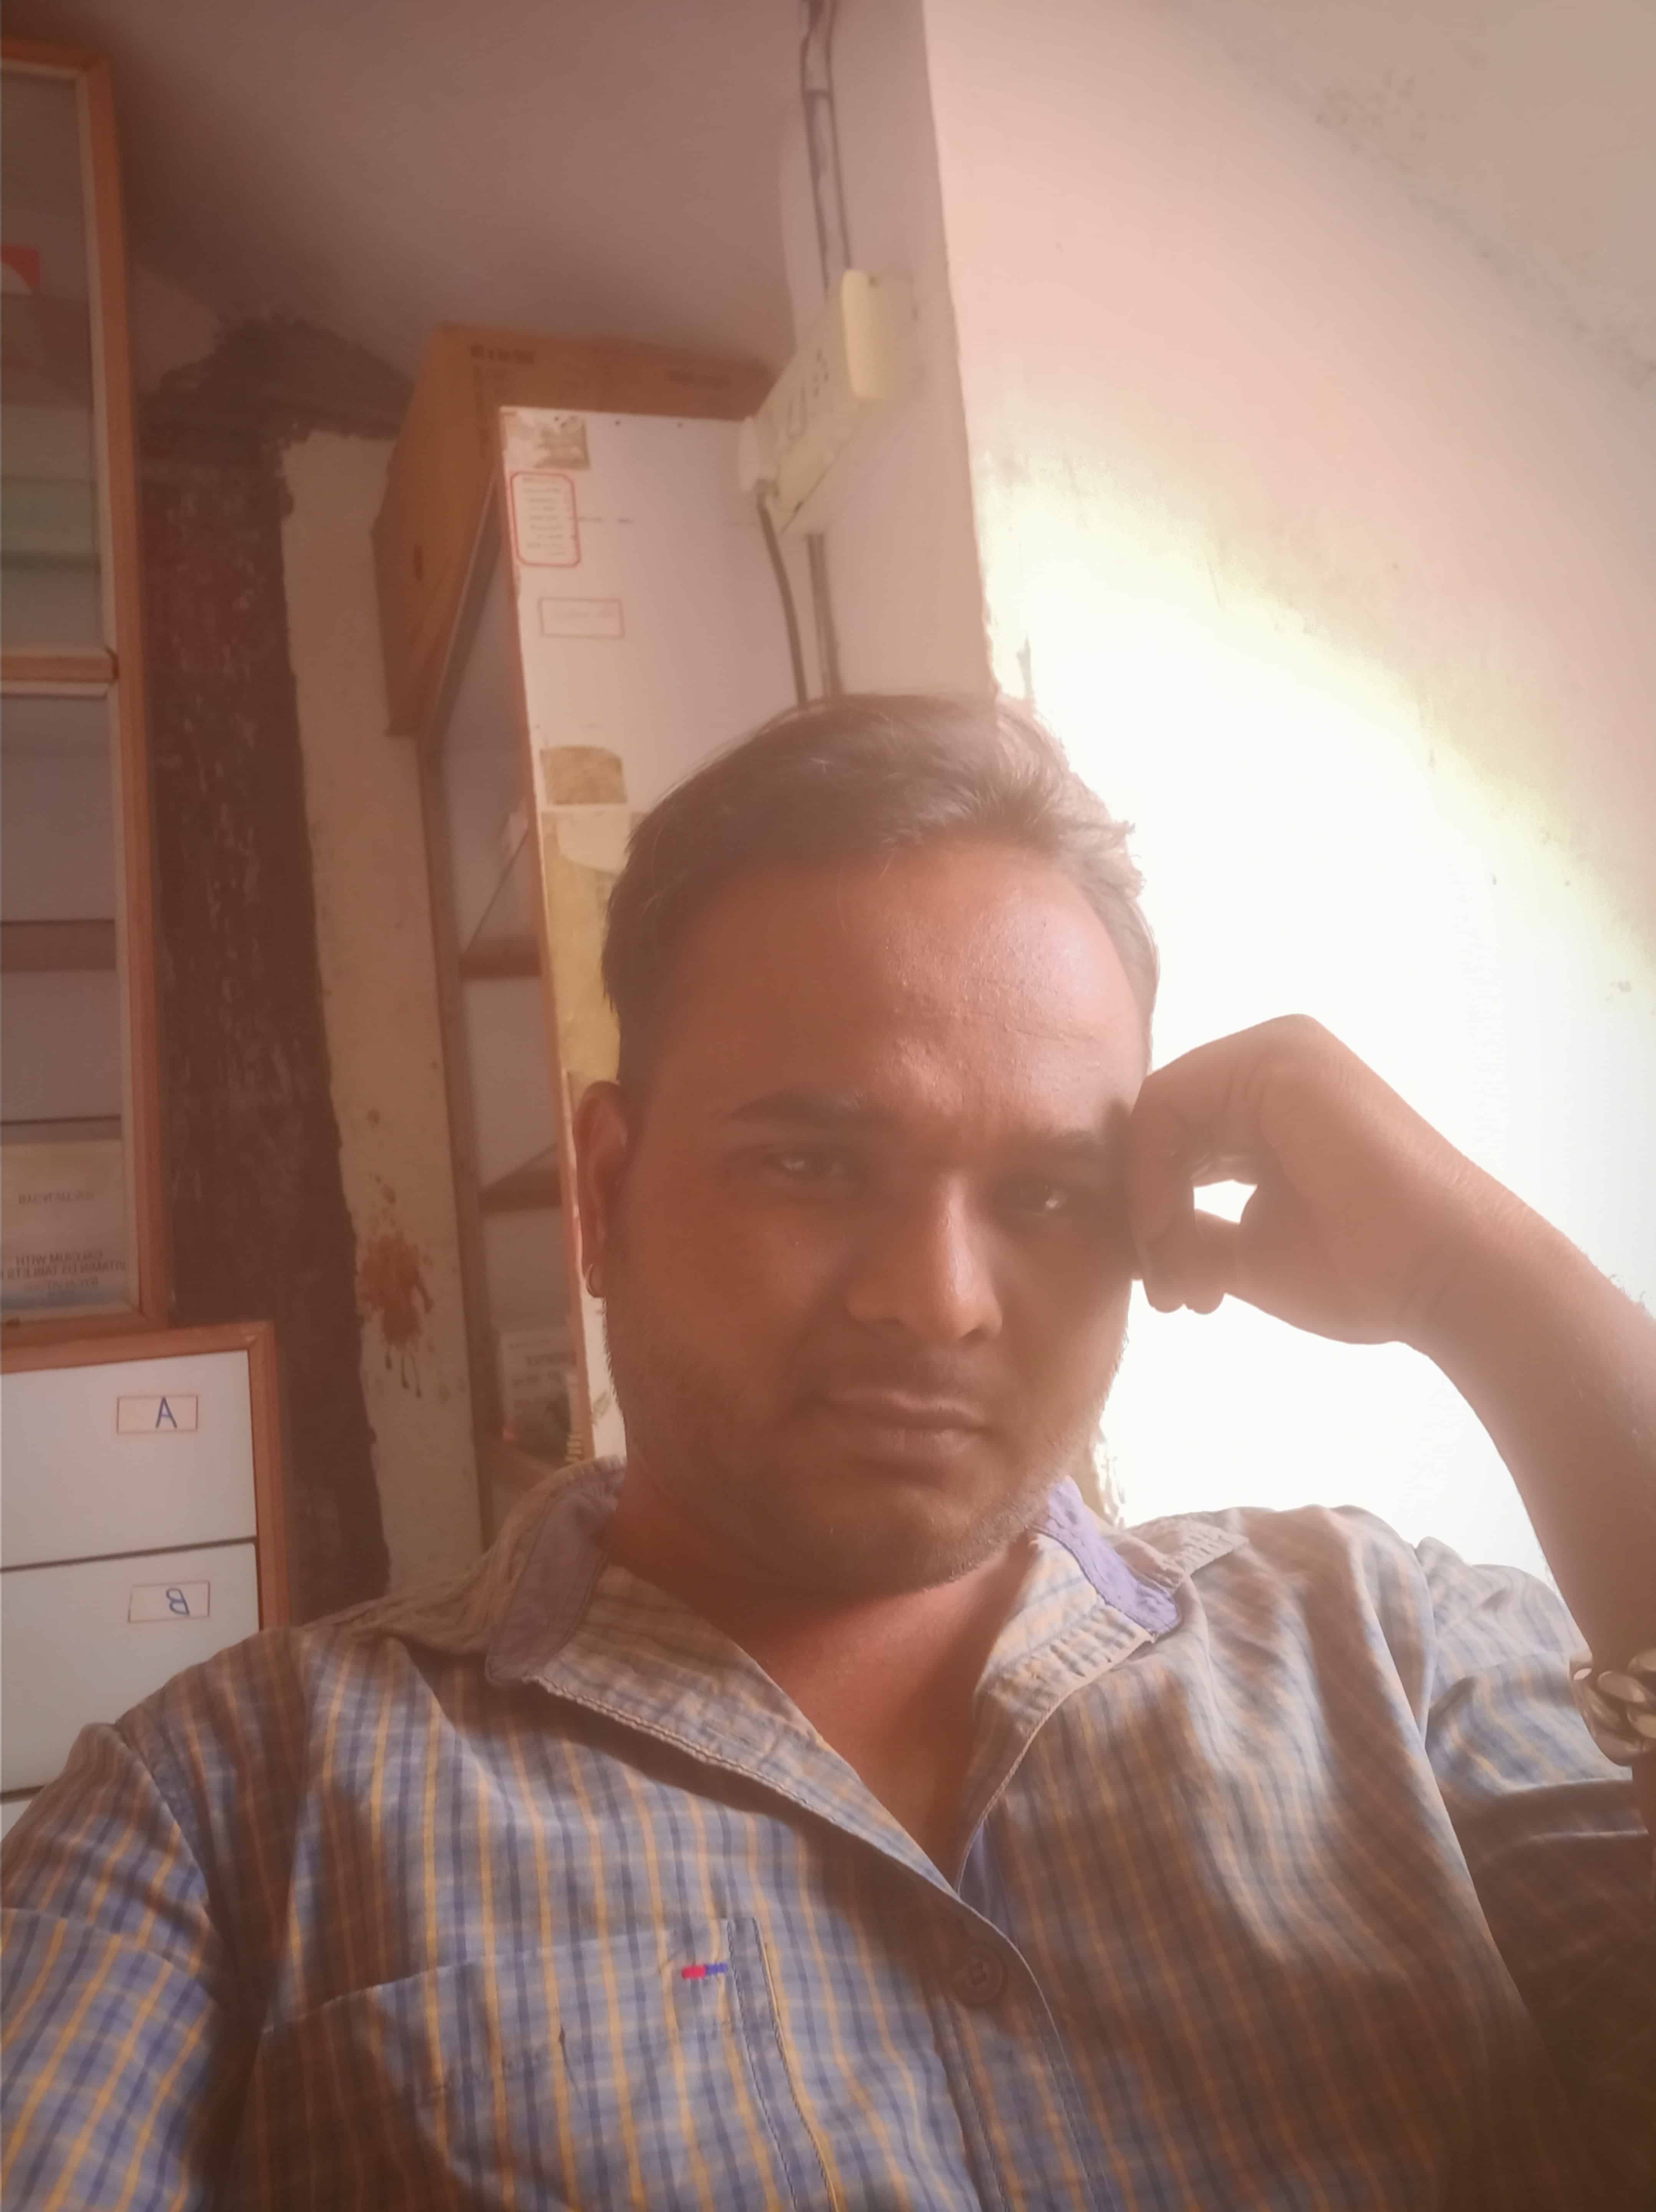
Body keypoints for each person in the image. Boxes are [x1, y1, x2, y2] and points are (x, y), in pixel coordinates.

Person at [2, 694, 1651, 2210]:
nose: (936, 1301)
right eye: (809, 1164)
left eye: (1049, 1195)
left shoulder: (1395, 1653)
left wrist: (1481, 1290)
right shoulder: (223, 1808)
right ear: (605, 1192)